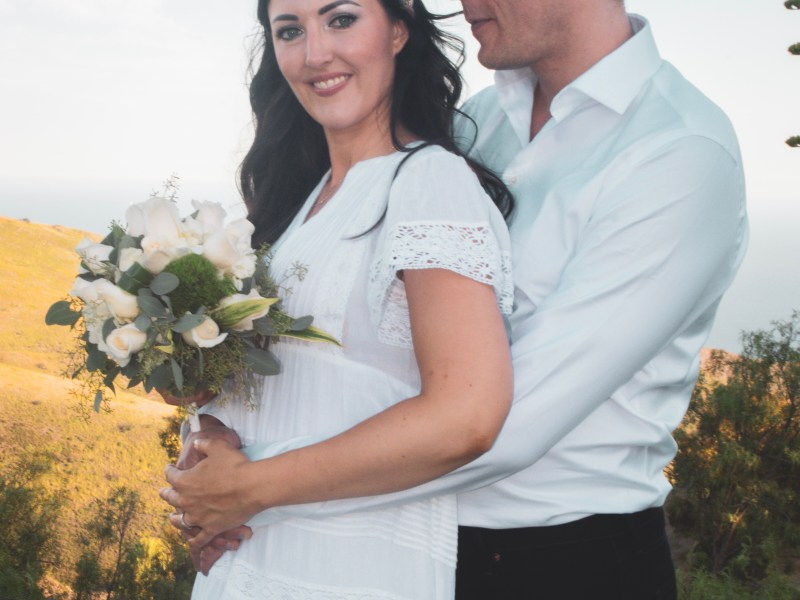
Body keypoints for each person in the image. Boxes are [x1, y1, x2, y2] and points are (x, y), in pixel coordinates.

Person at [162, 0, 748, 598]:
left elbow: (496, 423)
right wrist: (226, 450)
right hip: (394, 543)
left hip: (558, 559)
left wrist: (256, 487)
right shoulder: (479, 119)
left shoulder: (680, 151)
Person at [159, 0, 515, 597]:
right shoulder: (304, 200)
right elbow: (296, 387)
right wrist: (214, 438)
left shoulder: (428, 183)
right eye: (290, 31)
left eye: (341, 19)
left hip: (351, 570)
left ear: (399, 30)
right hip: (255, 561)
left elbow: (468, 417)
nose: (315, 52)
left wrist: (250, 487)